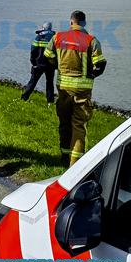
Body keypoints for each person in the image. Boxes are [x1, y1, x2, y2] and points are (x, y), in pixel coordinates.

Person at [45, 10, 107, 168]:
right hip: (82, 90)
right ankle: (76, 164)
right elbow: (100, 64)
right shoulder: (91, 40)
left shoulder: (58, 37)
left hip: (63, 88)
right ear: (84, 23)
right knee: (79, 125)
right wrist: (92, 75)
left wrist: (58, 66)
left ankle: (64, 157)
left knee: (64, 122)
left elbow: (48, 55)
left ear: (71, 22)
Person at [21, 21, 56, 104]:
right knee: (50, 83)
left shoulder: (39, 37)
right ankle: (50, 101)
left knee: (33, 81)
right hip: (50, 65)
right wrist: (56, 64)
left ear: (43, 28)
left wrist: (33, 62)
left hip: (39, 64)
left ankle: (24, 98)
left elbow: (33, 50)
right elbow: (57, 52)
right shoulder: (54, 38)